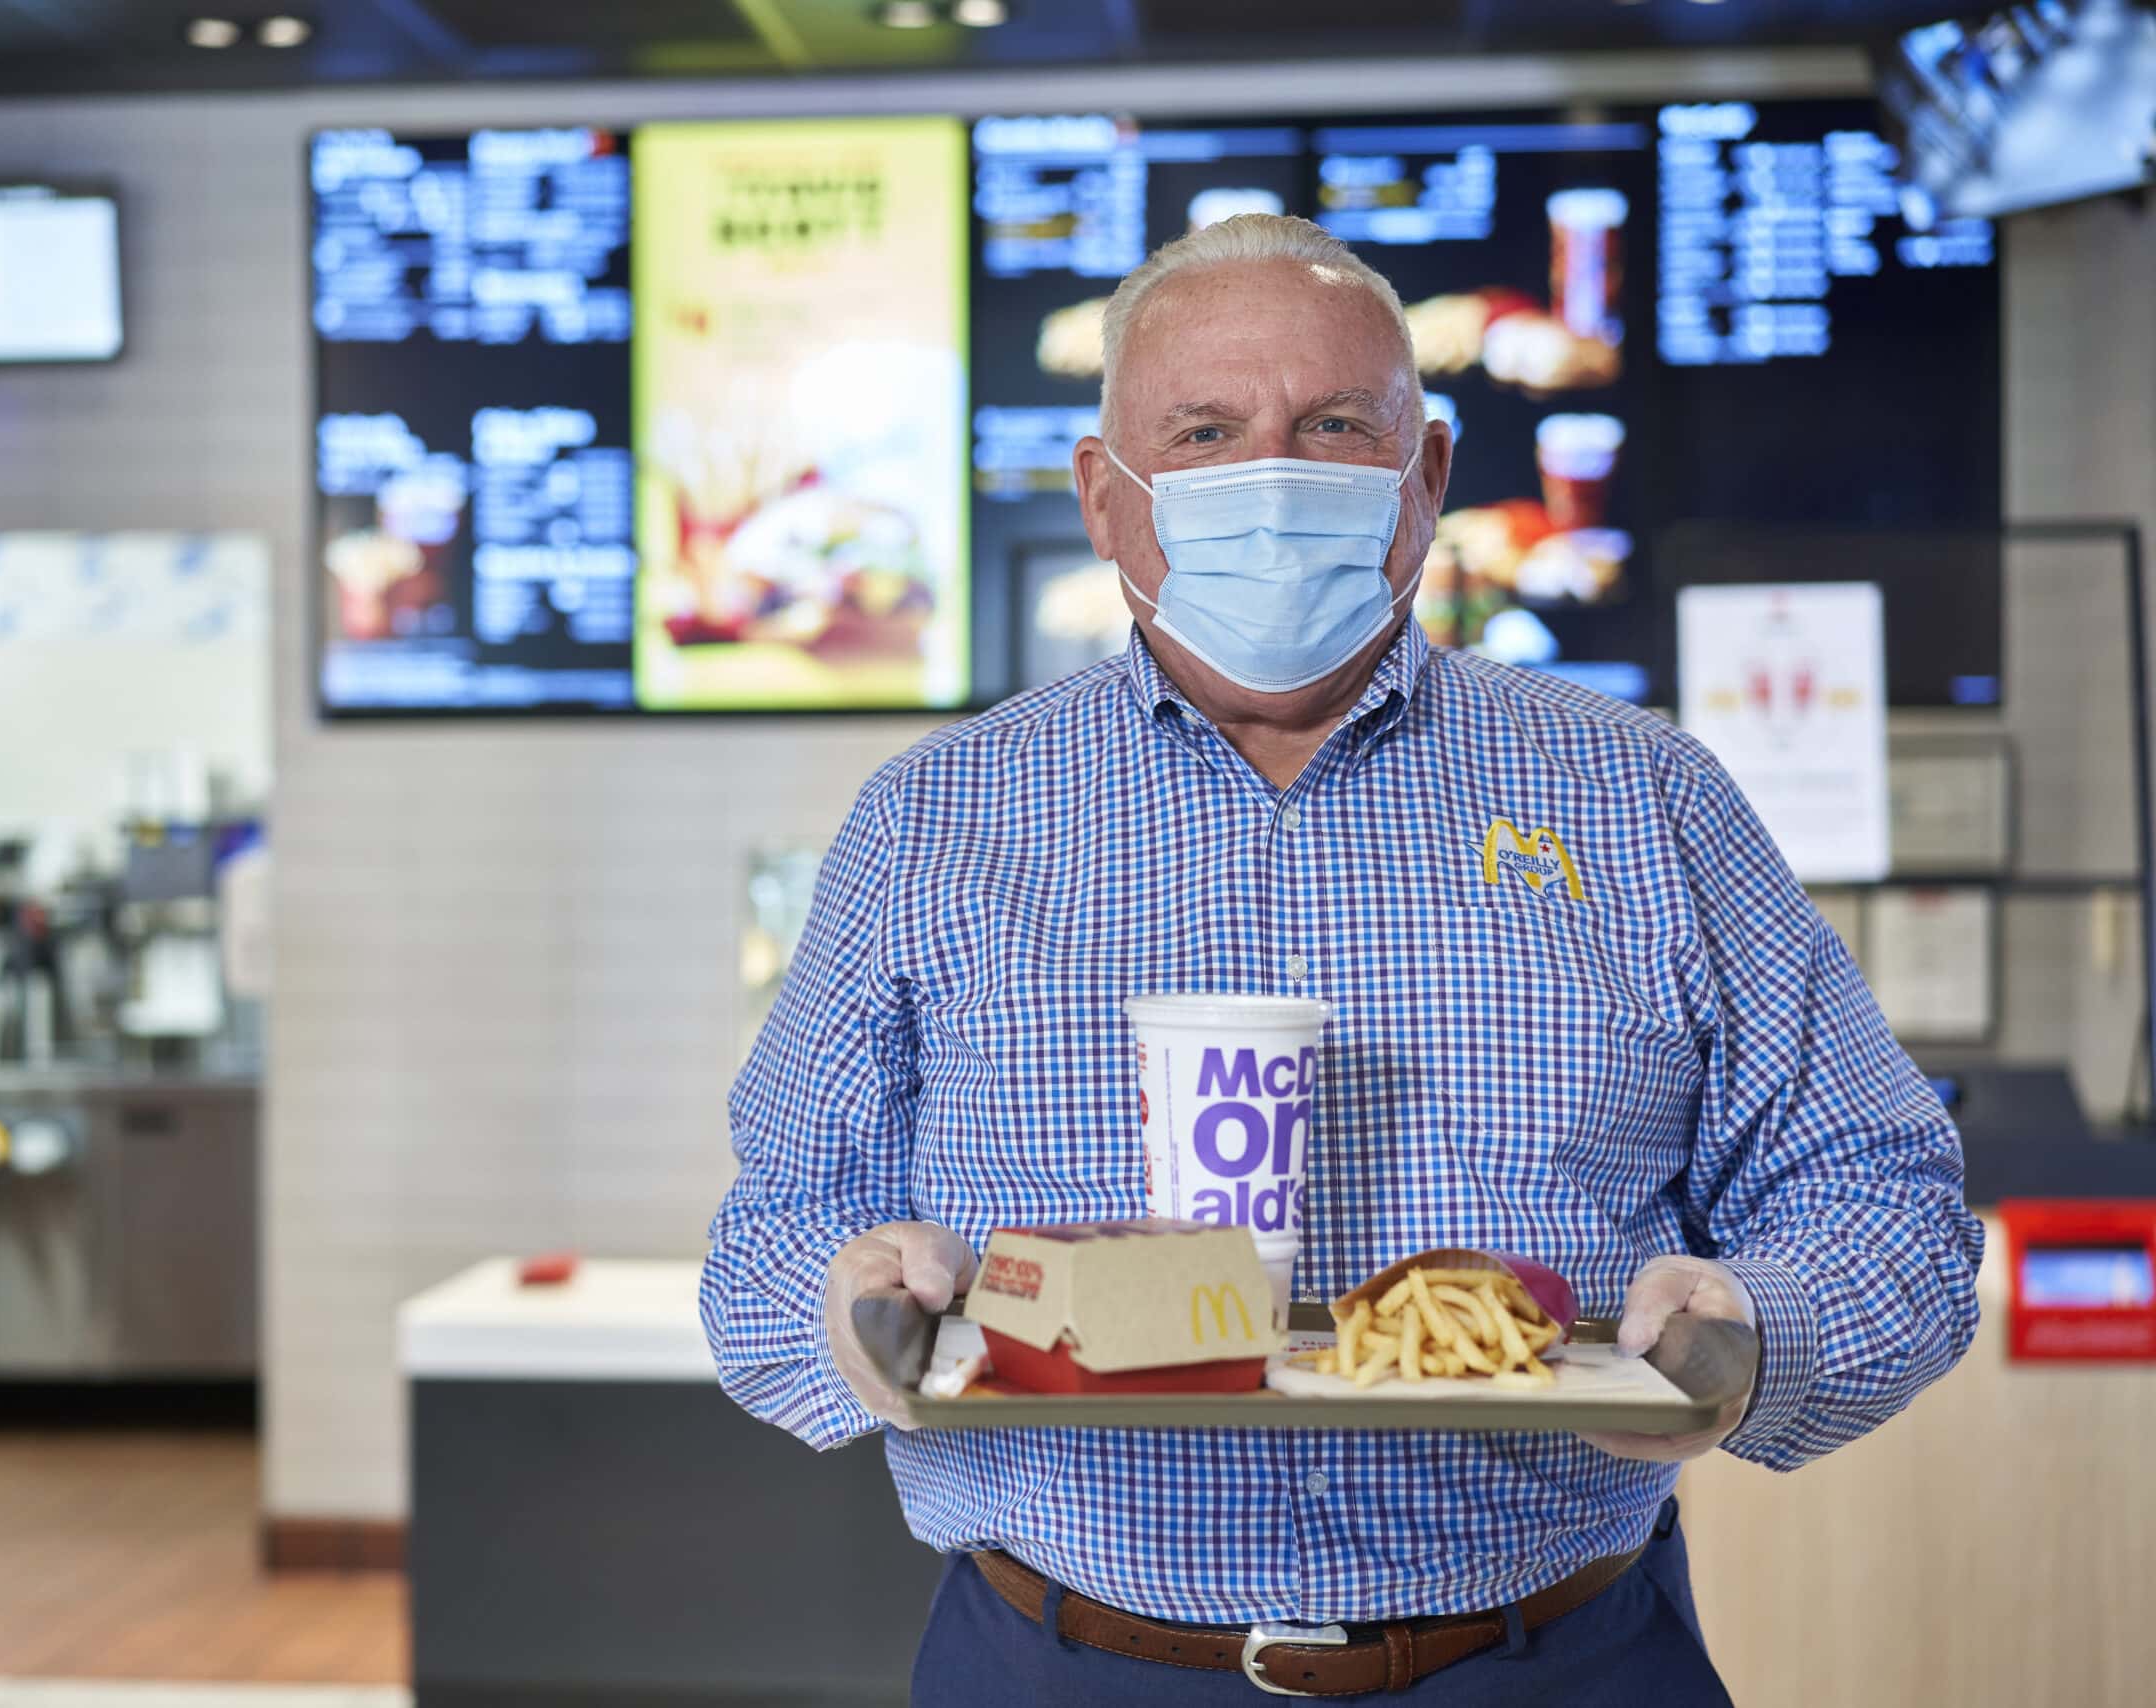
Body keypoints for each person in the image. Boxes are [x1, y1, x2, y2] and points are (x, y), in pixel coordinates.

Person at [700, 213, 1982, 1704]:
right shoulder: (935, 820)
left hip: (1557, 1660)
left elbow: (1883, 1198)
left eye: (1332, 426)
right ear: (1104, 500)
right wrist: (854, 1298)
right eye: (1203, 431)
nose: (1273, 475)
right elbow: (771, 1240)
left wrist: (1756, 1336)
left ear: (1426, 476)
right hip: (1058, 1661)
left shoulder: (1645, 800)